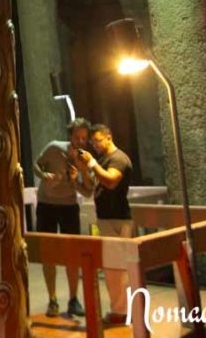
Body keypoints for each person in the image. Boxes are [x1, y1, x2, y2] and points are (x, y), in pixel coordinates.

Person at [33, 117, 94, 319]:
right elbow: (36, 164)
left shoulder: (86, 158)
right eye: (77, 137)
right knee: (48, 252)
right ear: (70, 136)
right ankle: (52, 299)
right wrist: (44, 176)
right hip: (47, 204)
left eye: (84, 138)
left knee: (72, 253)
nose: (80, 141)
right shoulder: (54, 148)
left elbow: (88, 191)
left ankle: (74, 299)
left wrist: (79, 176)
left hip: (69, 206)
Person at [78, 124, 134, 325]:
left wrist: (92, 163)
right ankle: (120, 310)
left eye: (98, 140)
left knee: (117, 269)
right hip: (107, 218)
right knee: (113, 269)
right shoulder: (102, 160)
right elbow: (90, 188)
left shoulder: (118, 158)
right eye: (93, 142)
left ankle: (121, 312)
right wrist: (82, 172)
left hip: (117, 218)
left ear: (109, 137)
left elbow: (111, 181)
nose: (95, 145)